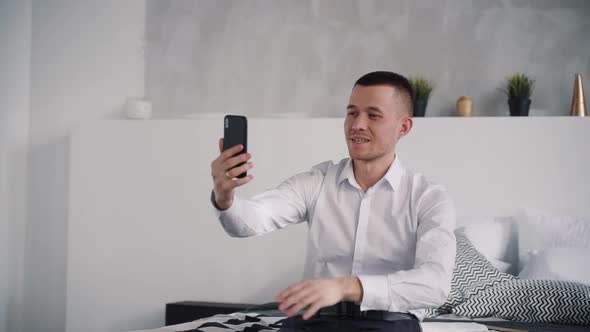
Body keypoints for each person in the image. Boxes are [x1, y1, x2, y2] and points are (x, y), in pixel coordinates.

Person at [209, 71, 456, 331]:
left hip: (391, 322)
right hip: (316, 320)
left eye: (373, 115)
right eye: (352, 113)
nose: (357, 124)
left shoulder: (429, 197)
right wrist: (225, 198)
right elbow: (250, 221)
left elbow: (435, 284)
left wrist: (346, 287)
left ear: (403, 127)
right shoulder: (317, 181)